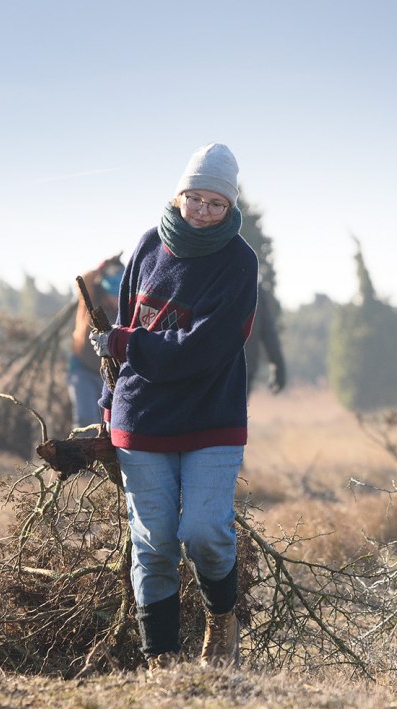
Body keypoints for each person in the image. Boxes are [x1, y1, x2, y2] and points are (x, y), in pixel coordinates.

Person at [88, 143, 257, 672]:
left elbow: (204, 349)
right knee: (154, 545)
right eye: (195, 198)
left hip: (212, 418)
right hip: (141, 421)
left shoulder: (239, 263)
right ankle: (161, 664)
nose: (203, 212)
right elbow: (121, 333)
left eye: (216, 204)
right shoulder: (146, 247)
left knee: (205, 530)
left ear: (230, 209)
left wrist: (127, 346)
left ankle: (221, 619)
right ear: (178, 194)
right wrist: (109, 404)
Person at [69, 254, 125, 432]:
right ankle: (80, 457)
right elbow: (83, 281)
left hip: (109, 372)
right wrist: (101, 268)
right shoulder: (91, 299)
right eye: (112, 293)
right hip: (82, 368)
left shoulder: (126, 307)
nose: (115, 299)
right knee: (86, 418)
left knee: (106, 422)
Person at [243, 270, 286, 395]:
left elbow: (268, 330)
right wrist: (278, 365)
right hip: (244, 367)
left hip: (211, 369)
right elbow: (268, 332)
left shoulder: (206, 276)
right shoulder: (253, 289)